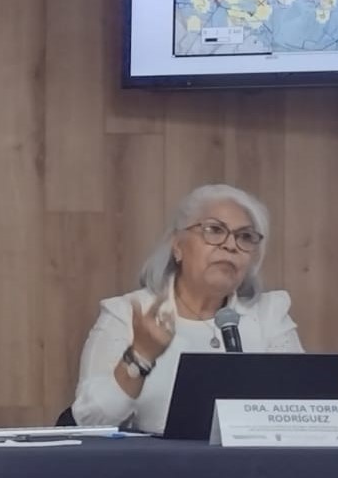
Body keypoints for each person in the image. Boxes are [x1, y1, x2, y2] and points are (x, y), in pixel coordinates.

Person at [71, 182, 303, 433]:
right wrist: (140, 356)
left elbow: (301, 410)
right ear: (178, 246)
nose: (230, 245)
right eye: (214, 230)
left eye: (245, 237)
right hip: (155, 458)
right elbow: (90, 421)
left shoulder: (269, 315)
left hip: (252, 458)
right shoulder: (129, 314)